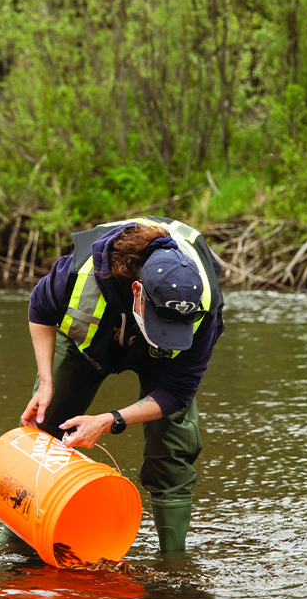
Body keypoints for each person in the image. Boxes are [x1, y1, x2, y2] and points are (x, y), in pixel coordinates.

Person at [18, 216, 225, 554]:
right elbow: (40, 308)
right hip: (91, 347)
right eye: (161, 323)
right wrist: (46, 382)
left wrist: (110, 420)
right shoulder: (78, 274)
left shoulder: (203, 306)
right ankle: (21, 536)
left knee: (171, 451)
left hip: (165, 361)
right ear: (137, 291)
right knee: (48, 425)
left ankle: (174, 558)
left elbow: (177, 391)